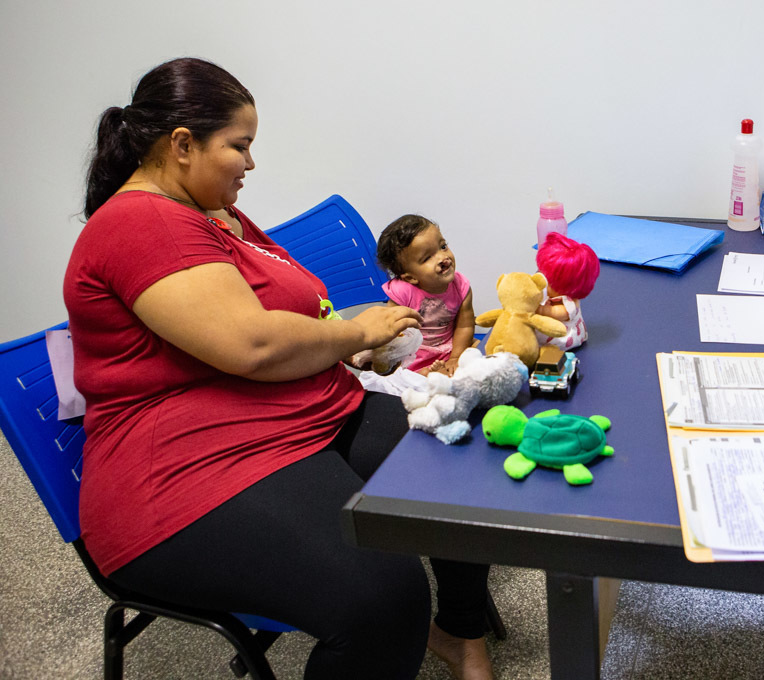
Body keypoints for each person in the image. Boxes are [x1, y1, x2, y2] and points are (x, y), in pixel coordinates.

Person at [63, 57, 495, 680]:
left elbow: (295, 309)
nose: (250, 162)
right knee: (384, 597)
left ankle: (458, 632)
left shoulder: (216, 215)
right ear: (182, 145)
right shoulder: (141, 222)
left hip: (309, 415)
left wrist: (344, 340)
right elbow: (255, 345)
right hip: (195, 468)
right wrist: (355, 332)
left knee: (458, 473)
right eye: (239, 145)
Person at [376, 214, 476, 375]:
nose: (442, 257)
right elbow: (390, 329)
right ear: (411, 278)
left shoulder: (461, 286)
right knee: (410, 375)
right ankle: (428, 375)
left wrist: (456, 357)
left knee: (484, 350)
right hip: (415, 354)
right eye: (427, 258)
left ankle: (442, 373)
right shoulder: (403, 292)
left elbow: (465, 326)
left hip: (450, 346)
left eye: (443, 246)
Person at [534, 232, 600, 351]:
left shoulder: (569, 304)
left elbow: (555, 312)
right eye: (539, 271)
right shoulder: (549, 293)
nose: (539, 277)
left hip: (560, 341)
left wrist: (539, 309)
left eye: (545, 278)